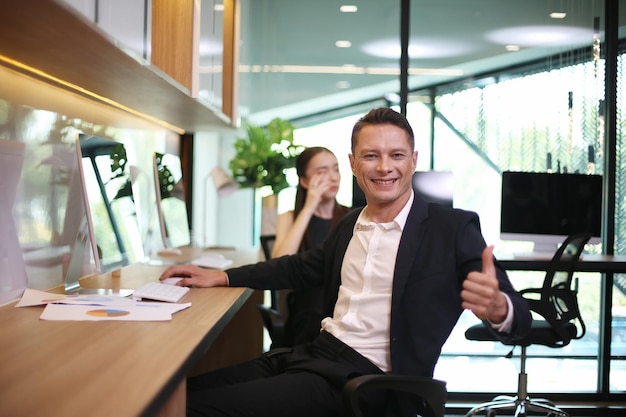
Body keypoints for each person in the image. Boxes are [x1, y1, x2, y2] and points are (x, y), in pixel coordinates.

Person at [160, 107, 532, 417]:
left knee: (195, 408)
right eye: (371, 155)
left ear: (413, 161)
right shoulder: (349, 223)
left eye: (396, 155)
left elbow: (518, 317)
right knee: (170, 396)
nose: (384, 167)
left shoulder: (451, 228)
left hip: (367, 382)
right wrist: (221, 276)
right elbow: (296, 267)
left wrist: (499, 308)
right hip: (311, 355)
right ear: (354, 164)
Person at [271, 146, 350, 346]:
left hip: (343, 314)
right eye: (322, 172)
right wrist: (309, 207)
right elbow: (279, 266)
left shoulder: (351, 217)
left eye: (336, 169)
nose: (333, 177)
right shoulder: (289, 217)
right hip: (307, 317)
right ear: (305, 181)